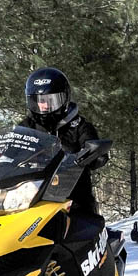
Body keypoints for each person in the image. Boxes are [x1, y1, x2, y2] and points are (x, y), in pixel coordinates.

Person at [18, 67, 107, 215]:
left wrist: (94, 155)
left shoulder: (79, 126)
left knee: (85, 227)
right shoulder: (26, 127)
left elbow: (93, 145)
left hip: (73, 197)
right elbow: (12, 147)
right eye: (39, 101)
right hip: (32, 194)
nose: (44, 106)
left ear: (64, 98)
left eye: (50, 100)